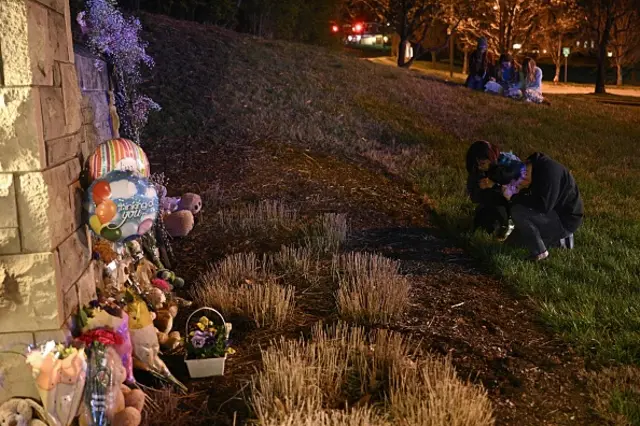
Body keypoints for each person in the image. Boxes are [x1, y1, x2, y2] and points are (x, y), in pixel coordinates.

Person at [490, 153, 584, 261]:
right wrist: (518, 191)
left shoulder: (549, 172)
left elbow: (543, 205)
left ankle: (540, 252)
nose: (523, 178)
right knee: (512, 243)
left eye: (525, 174)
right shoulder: (536, 170)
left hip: (565, 219)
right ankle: (558, 241)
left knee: (518, 211)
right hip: (553, 213)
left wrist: (514, 196)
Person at [466, 141, 516, 239]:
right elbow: (474, 197)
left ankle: (507, 224)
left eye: (483, 163)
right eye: (477, 165)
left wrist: (495, 185)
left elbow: (518, 188)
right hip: (491, 203)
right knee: (483, 220)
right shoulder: (477, 171)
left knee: (501, 214)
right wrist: (479, 188)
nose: (480, 167)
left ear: (491, 159)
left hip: (510, 204)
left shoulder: (508, 163)